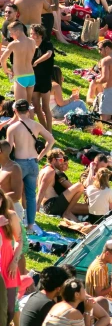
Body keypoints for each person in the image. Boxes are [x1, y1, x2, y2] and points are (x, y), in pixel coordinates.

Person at [8, 99, 54, 231]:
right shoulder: (36, 125)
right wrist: (41, 155)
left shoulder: (12, 128)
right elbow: (51, 140)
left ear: (15, 111)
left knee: (15, 194)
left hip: (19, 163)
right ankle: (30, 225)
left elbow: (8, 148)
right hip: (33, 162)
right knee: (30, 195)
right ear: (28, 110)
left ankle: (16, 221)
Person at [0, 21, 36, 102]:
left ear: (17, 31)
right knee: (28, 105)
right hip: (31, 75)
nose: (11, 35)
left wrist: (6, 71)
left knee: (20, 107)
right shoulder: (32, 41)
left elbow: (2, 59)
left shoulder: (14, 44)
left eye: (11, 33)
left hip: (20, 76)